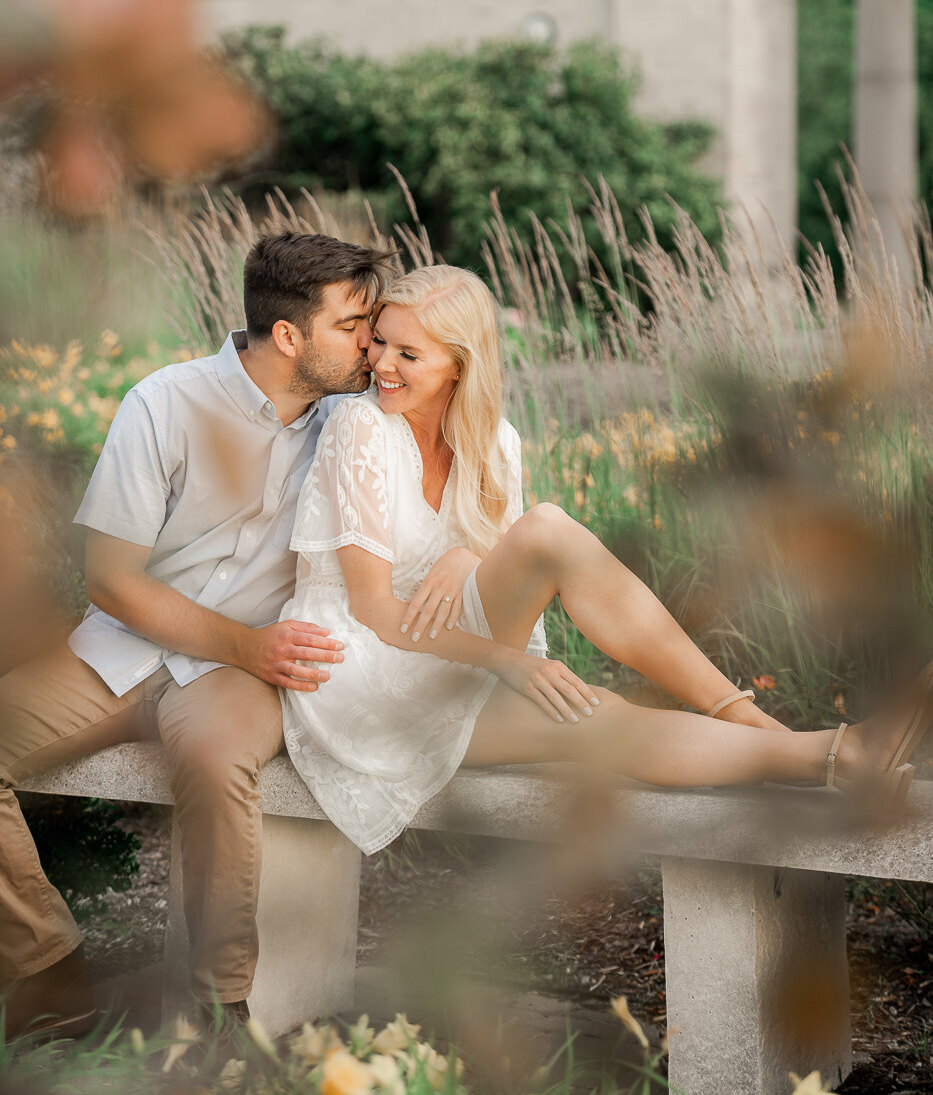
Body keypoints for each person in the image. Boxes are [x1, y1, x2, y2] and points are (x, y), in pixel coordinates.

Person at [280, 264, 933, 856]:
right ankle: (790, 736)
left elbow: (505, 546)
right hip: (365, 674)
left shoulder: (493, 441)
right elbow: (371, 607)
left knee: (549, 539)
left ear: (460, 363)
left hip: (451, 648)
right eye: (380, 343)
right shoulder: (360, 427)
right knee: (596, 719)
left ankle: (843, 755)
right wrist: (505, 657)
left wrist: (466, 552)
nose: (382, 365)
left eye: (408, 353)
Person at [0, 230, 394, 1040]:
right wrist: (245, 644)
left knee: (216, 764)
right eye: (354, 325)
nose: (371, 343)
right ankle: (49, 971)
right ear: (288, 336)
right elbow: (111, 577)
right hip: (120, 651)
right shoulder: (166, 402)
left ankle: (220, 1013)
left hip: (238, 678)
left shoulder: (356, 426)